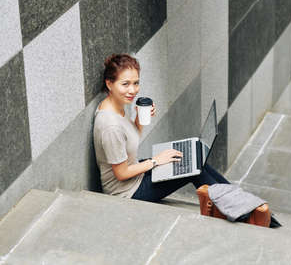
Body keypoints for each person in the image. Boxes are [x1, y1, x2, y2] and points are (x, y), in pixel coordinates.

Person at [93, 53, 229, 203]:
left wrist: (139, 119)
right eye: (125, 84)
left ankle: (236, 197)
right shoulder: (110, 125)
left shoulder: (117, 106)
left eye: (136, 83)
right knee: (193, 170)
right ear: (109, 84)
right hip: (127, 192)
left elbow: (131, 140)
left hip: (136, 174)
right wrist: (156, 161)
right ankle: (236, 206)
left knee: (195, 160)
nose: (132, 90)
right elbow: (122, 173)